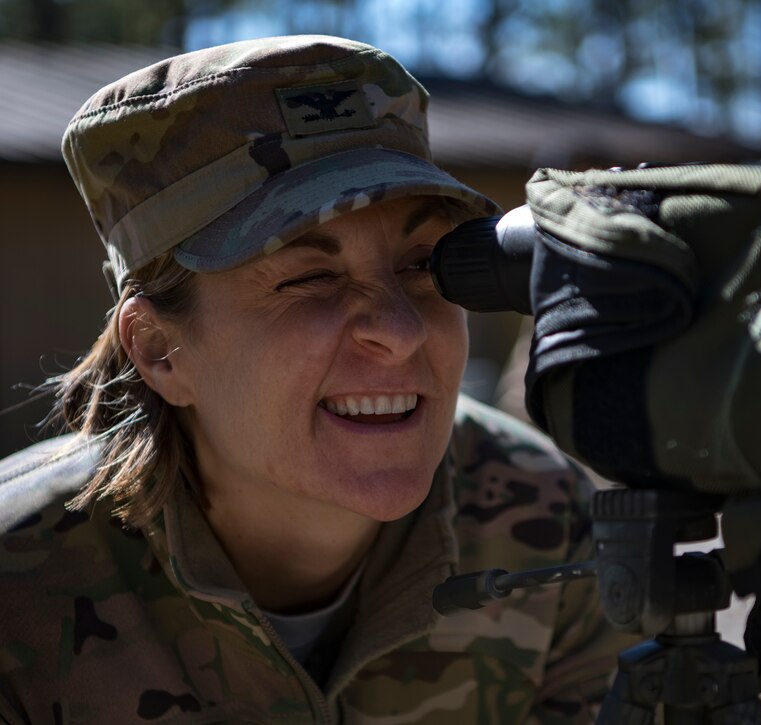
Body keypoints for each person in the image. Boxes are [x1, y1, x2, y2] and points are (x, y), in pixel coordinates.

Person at [0, 35, 639, 723]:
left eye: (424, 264)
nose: (400, 331)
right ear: (158, 350)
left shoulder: (545, 517)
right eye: (310, 277)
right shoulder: (19, 590)